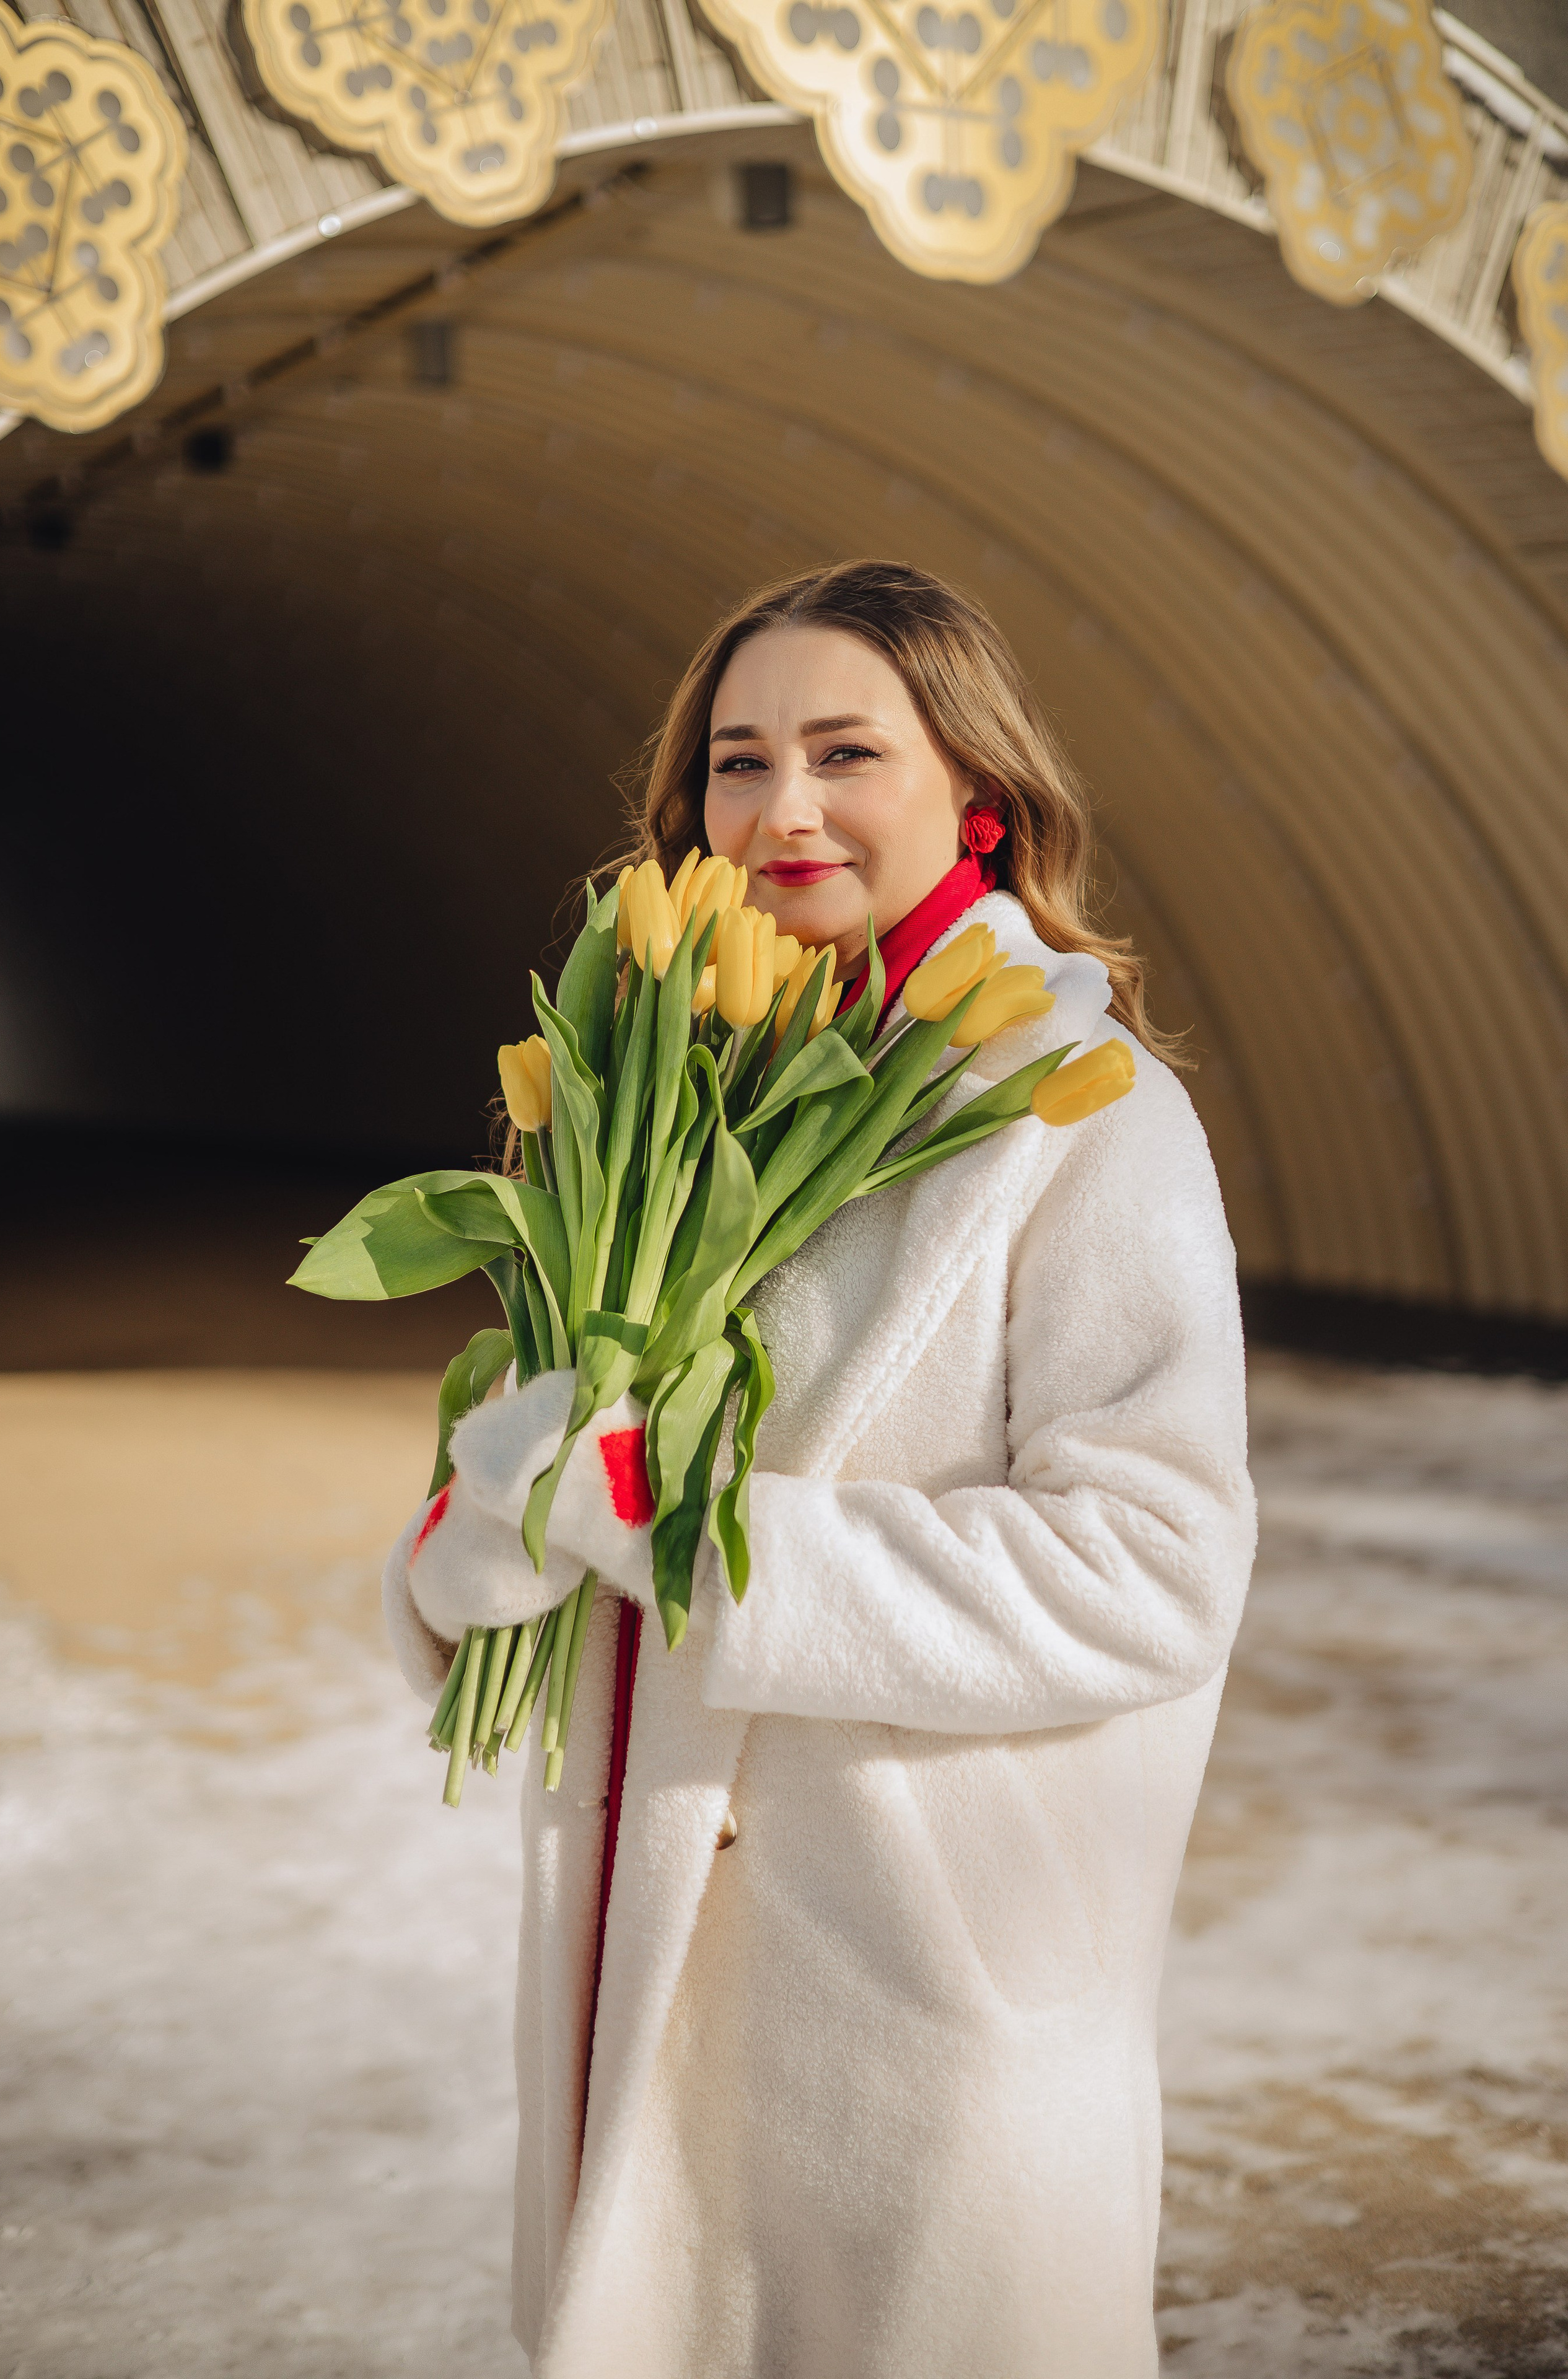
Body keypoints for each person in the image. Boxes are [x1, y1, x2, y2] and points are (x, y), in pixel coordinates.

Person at [382, 559, 1256, 2378]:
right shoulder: (666, 1092)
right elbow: (569, 1469)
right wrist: (479, 1535)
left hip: (922, 2016)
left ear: (978, 797)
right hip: (660, 1984)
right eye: (736, 761)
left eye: (847, 752)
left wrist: (681, 1532)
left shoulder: (1085, 1122)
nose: (781, 810)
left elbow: (1154, 1566)